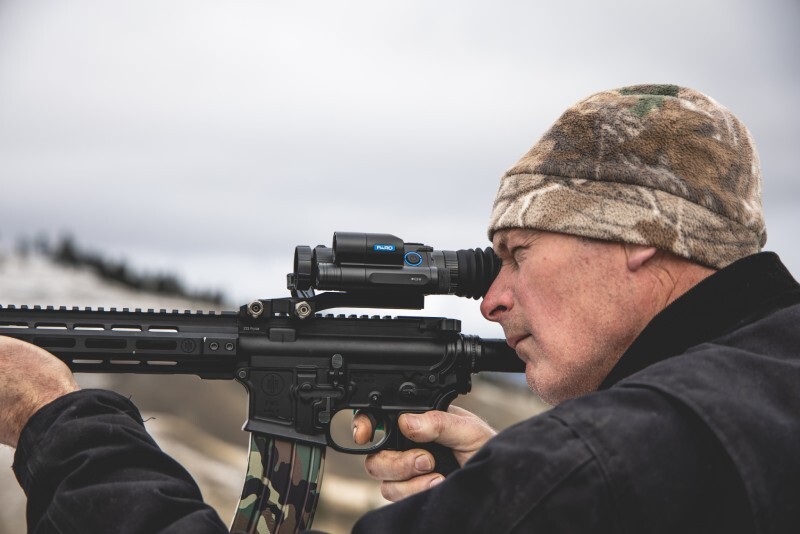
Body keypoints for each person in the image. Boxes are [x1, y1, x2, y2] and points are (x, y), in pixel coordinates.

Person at [2, 84, 799, 533]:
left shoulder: (589, 467)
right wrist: (499, 489)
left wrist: (56, 423)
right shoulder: (765, 387)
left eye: (518, 254)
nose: (491, 298)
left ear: (642, 238)